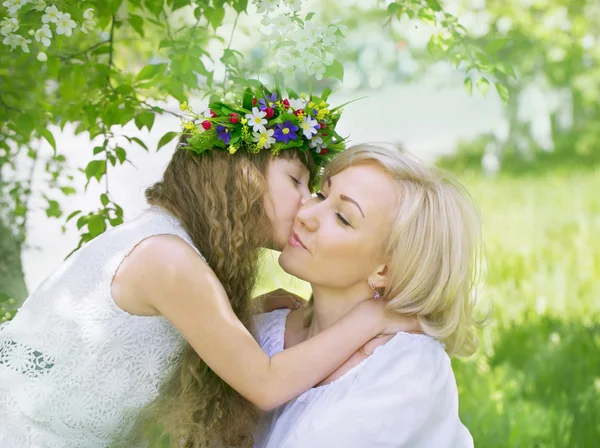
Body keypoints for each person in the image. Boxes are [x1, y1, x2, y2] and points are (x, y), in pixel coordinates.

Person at [0, 89, 415, 448]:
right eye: (296, 181)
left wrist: (248, 311)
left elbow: (163, 331)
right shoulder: (169, 260)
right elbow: (266, 385)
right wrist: (371, 316)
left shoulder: (164, 241)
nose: (307, 202)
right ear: (243, 178)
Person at [254, 143, 480, 447]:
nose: (306, 213)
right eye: (321, 193)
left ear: (383, 270)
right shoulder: (263, 330)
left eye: (343, 217)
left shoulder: (406, 370)